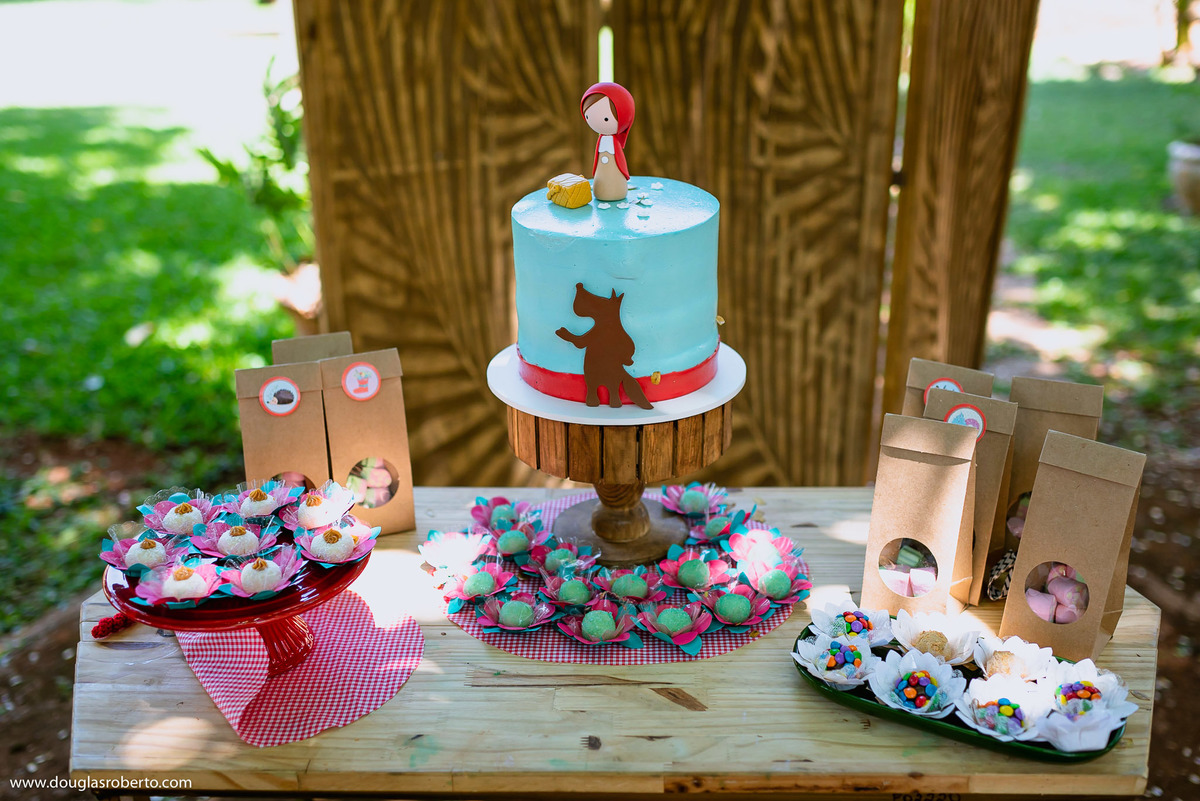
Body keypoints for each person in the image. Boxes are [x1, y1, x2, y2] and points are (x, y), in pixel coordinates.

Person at [580, 82, 635, 201]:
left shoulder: (614, 143)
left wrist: (624, 173)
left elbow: (620, 161)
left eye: (606, 119)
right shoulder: (601, 140)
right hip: (601, 177)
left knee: (612, 174)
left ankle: (613, 191)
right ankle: (601, 190)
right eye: (587, 116)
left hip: (617, 185)